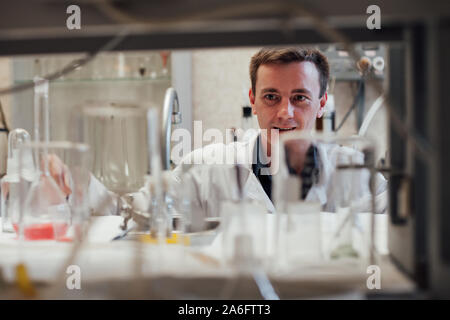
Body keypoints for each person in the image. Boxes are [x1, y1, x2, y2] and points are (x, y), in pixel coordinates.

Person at [47, 47, 387, 222]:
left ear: (322, 103)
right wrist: (82, 188)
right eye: (271, 97)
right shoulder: (205, 167)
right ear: (252, 100)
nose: (285, 112)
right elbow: (134, 217)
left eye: (299, 98)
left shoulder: (357, 171)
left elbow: (406, 232)